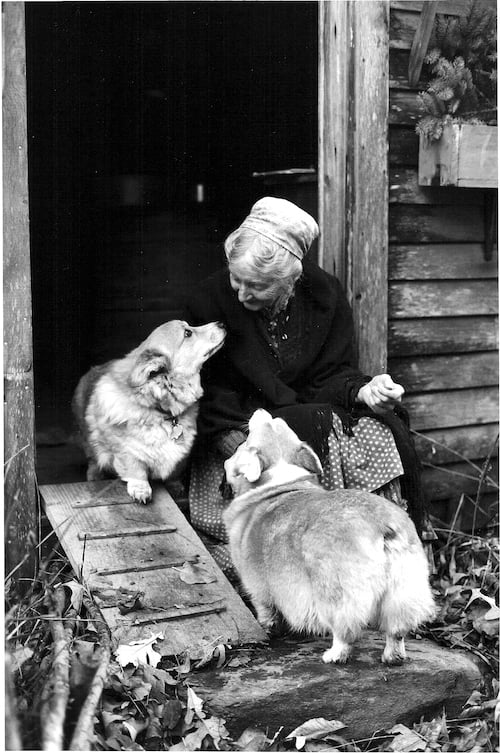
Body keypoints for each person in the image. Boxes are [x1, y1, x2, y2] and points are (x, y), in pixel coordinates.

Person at [184, 197, 426, 577]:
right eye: (237, 279)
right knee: (304, 431)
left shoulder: (324, 295)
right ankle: (305, 564)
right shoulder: (208, 299)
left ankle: (374, 554)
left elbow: (331, 375)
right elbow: (207, 390)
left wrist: (366, 392)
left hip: (303, 417)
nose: (242, 294)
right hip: (237, 426)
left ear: (291, 281)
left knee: (378, 429)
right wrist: (246, 446)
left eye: (258, 286)